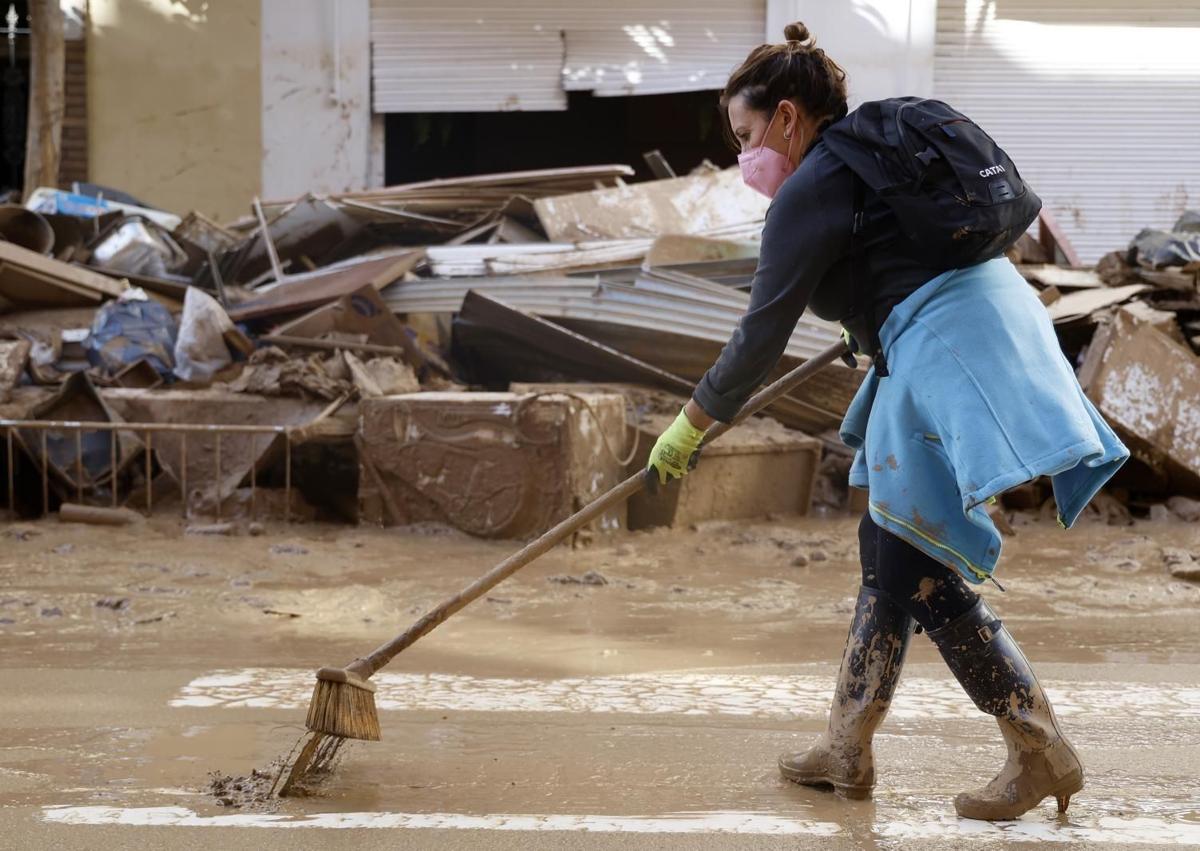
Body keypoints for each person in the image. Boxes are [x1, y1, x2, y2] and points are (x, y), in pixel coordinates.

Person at [646, 21, 1129, 821]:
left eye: (745, 135)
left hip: (947, 347)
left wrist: (693, 422)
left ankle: (1038, 746)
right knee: (889, 546)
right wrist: (864, 318)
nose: (745, 158)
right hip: (990, 318)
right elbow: (893, 261)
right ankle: (847, 744)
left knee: (923, 570)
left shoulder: (811, 186)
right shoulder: (867, 159)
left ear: (788, 118)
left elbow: (758, 334)